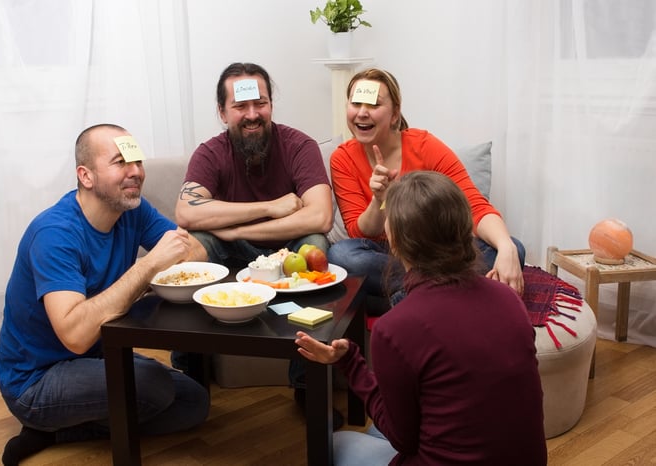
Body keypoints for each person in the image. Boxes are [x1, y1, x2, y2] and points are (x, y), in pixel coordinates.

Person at [295, 171, 547, 465]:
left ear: (396, 244)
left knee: (335, 443)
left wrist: (352, 363)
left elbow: (403, 438)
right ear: (465, 232)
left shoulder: (395, 329)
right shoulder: (509, 300)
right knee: (379, 427)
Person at [0, 124, 211, 465]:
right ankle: (43, 420)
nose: (136, 172)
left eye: (137, 161)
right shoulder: (55, 233)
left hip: (96, 356)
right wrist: (149, 265)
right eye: (121, 162)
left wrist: (163, 259)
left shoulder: (132, 211)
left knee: (195, 403)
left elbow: (196, 251)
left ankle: (62, 430)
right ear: (86, 176)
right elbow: (76, 336)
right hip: (36, 380)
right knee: (153, 385)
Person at [170, 62, 337, 423]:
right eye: (240, 106)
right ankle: (190, 373)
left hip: (286, 248)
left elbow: (319, 216)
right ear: (221, 111)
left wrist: (232, 227)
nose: (251, 114)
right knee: (187, 251)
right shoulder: (210, 153)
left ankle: (307, 384)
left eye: (259, 103)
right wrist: (270, 208)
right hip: (229, 251)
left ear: (271, 104)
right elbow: (187, 212)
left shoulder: (299, 145)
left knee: (314, 243)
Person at [328, 68, 525, 311]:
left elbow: (474, 205)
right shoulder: (343, 158)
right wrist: (380, 200)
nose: (362, 112)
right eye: (355, 103)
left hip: (435, 251)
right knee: (343, 255)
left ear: (395, 114)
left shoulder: (424, 146)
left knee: (513, 247)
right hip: (388, 255)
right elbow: (360, 233)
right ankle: (452, 294)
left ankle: (411, 297)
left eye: (373, 104)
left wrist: (506, 246)